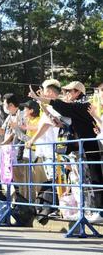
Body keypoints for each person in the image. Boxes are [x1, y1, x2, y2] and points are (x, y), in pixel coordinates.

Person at [29, 81, 103, 223]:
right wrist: (43, 105)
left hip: (89, 149)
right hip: (77, 151)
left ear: (77, 92)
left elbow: (62, 107)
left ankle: (98, 210)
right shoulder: (75, 108)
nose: (66, 94)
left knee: (94, 179)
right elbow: (59, 117)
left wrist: (39, 99)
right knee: (80, 181)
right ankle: (86, 210)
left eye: (69, 91)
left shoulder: (84, 105)